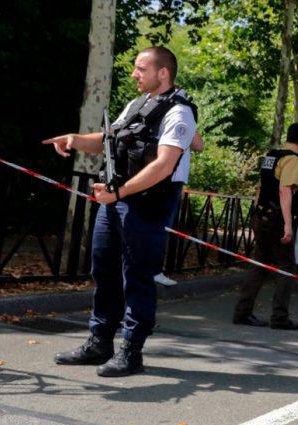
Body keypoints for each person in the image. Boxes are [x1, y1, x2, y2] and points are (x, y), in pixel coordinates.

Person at [43, 46, 197, 377]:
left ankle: (132, 349)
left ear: (163, 73)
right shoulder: (136, 104)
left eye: (141, 68)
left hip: (147, 201)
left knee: (137, 276)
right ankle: (100, 341)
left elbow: (164, 164)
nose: (134, 74)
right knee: (104, 268)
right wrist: (74, 140)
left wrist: (120, 193)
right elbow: (108, 139)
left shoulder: (179, 113)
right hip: (117, 198)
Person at [232, 122, 298, 330]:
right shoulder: (292, 160)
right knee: (286, 268)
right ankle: (279, 317)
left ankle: (242, 312)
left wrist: (257, 213)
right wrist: (287, 224)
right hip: (276, 219)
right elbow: (285, 191)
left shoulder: (271, 155)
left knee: (259, 265)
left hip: (261, 216)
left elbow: (261, 188)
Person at [154, 130, 204, 287]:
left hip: (154, 174)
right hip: (171, 178)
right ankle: (154, 270)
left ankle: (140, 267)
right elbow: (199, 145)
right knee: (162, 227)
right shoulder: (182, 113)